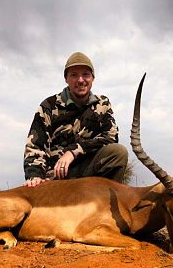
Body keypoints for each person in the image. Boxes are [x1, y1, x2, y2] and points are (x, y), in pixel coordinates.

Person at [23, 52, 128, 187]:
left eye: (85, 74)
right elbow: (35, 146)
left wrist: (73, 151)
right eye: (74, 75)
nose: (80, 80)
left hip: (89, 169)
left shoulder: (102, 104)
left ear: (92, 78)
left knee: (118, 152)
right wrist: (35, 175)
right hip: (57, 177)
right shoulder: (48, 106)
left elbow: (111, 137)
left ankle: (108, 202)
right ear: (66, 79)